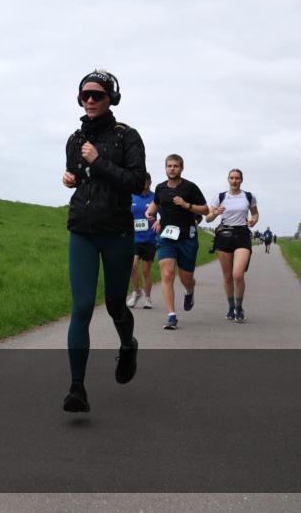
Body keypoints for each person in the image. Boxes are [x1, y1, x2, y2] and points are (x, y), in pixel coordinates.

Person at [61, 70, 145, 413]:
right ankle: (76, 388)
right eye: (85, 95)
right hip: (82, 229)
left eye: (97, 95)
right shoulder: (74, 138)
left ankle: (128, 345)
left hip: (117, 232)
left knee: (114, 305)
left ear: (112, 98)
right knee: (81, 308)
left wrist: (99, 162)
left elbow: (136, 181)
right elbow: (83, 177)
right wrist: (72, 178)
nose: (90, 100)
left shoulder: (128, 137)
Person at [146, 154, 209, 330]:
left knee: (186, 278)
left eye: (175, 166)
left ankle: (190, 291)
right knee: (167, 274)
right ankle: (171, 316)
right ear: (165, 168)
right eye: (169, 166)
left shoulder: (190, 188)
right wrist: (150, 214)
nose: (172, 169)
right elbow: (155, 206)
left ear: (181, 168)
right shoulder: (160, 188)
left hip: (187, 238)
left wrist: (186, 205)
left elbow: (205, 210)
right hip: (166, 237)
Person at [205, 169, 258, 323]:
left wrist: (254, 220)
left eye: (237, 178)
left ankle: (239, 307)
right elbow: (208, 219)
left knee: (238, 274)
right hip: (224, 236)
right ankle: (230, 307)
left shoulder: (248, 196)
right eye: (232, 178)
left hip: (242, 235)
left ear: (241, 180)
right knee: (227, 277)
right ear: (228, 179)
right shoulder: (220, 197)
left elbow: (255, 213)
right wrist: (215, 213)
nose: (234, 181)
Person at [127, 173, 158, 309]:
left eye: (147, 181)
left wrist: (158, 222)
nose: (145, 183)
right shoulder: (131, 196)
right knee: (132, 266)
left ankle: (148, 297)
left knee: (146, 271)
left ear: (150, 182)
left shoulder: (155, 198)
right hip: (134, 238)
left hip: (150, 239)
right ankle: (137, 292)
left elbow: (164, 214)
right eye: (142, 180)